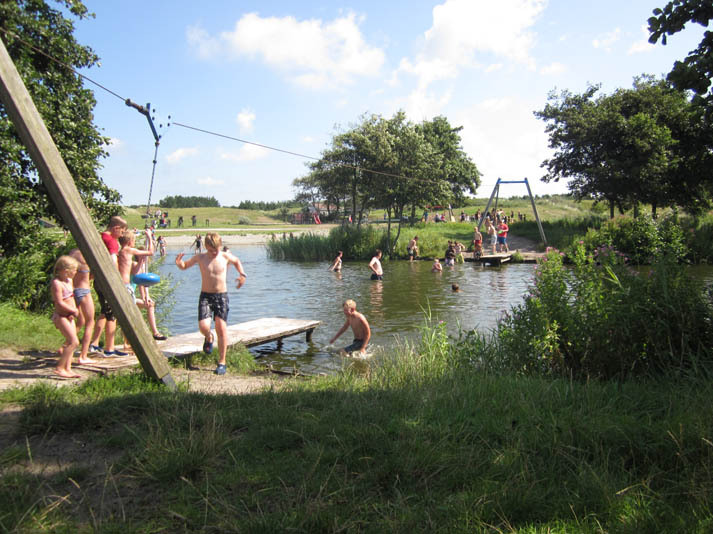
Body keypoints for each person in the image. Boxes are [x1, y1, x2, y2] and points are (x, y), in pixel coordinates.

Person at [175, 232, 247, 375]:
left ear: (220, 246)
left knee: (221, 328)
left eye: (216, 249)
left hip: (221, 296)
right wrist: (180, 264)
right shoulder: (200, 257)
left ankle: (222, 362)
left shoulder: (225, 256)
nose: (214, 252)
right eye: (210, 250)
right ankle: (209, 337)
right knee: (203, 326)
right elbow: (185, 266)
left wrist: (242, 275)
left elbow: (237, 261)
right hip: (205, 297)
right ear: (205, 247)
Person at [89, 215, 129, 356]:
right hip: (107, 282)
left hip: (98, 280)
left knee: (104, 312)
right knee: (112, 314)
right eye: (122, 231)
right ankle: (110, 349)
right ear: (116, 228)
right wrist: (117, 280)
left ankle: (94, 344)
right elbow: (113, 261)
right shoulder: (112, 241)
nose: (122, 235)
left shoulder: (100, 237)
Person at [118, 231, 167, 341]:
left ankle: (151, 334)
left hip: (125, 287)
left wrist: (141, 260)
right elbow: (151, 252)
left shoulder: (122, 253)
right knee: (132, 314)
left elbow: (137, 275)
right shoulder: (128, 250)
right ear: (130, 241)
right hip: (126, 287)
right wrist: (149, 237)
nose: (134, 243)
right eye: (134, 241)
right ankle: (136, 339)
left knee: (136, 311)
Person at [50, 255, 81, 378]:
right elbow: (59, 302)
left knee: (70, 342)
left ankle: (68, 368)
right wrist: (73, 310)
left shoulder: (69, 281)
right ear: (66, 271)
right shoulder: (57, 283)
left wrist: (73, 312)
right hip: (61, 316)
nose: (76, 272)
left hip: (69, 316)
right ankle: (59, 368)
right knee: (74, 342)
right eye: (74, 270)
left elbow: (71, 298)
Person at [68, 249, 96, 364]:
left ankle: (66, 347)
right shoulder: (87, 255)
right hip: (84, 290)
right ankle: (83, 355)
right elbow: (92, 275)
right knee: (90, 322)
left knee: (80, 321)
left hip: (72, 290)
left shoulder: (72, 254)